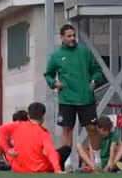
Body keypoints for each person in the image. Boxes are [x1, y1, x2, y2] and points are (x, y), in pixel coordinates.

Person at [43, 24, 104, 165]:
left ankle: (98, 159)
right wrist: (54, 83)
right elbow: (48, 74)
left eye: (73, 35)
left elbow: (97, 70)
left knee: (91, 128)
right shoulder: (56, 56)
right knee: (67, 129)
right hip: (66, 99)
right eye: (69, 36)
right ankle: (67, 161)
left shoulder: (84, 52)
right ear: (62, 37)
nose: (72, 38)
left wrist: (94, 81)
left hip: (86, 97)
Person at [0, 102, 62, 174]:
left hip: (19, 168)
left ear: (28, 116)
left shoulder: (17, 125)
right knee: (60, 153)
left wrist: (7, 149)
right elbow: (50, 151)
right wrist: (57, 169)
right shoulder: (43, 132)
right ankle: (57, 169)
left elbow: (1, 129)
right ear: (43, 117)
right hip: (38, 168)